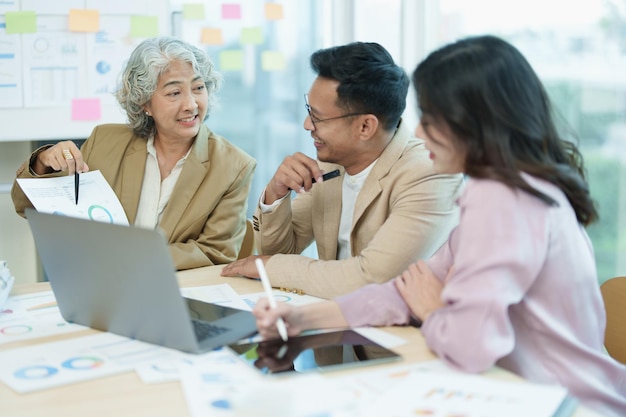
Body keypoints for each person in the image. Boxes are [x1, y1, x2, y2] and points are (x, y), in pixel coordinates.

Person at [252, 35, 626, 417]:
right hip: (517, 393)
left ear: (473, 125)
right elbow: (405, 288)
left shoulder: (506, 200)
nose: (417, 132)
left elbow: (471, 345)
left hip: (559, 405)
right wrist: (301, 318)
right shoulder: (501, 188)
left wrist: (433, 309)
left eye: (430, 120)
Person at [221, 42, 463, 299]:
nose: (306, 125)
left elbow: (371, 279)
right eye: (308, 111)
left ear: (365, 127)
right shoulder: (332, 162)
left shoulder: (429, 173)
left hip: (398, 334)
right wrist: (275, 195)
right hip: (332, 329)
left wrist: (269, 267)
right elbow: (280, 252)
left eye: (318, 117)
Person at [11, 36, 256, 271]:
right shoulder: (105, 142)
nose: (191, 104)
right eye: (174, 93)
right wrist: (43, 162)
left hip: (175, 291)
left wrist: (132, 258)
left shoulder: (233, 166)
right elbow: (28, 208)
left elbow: (215, 252)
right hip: (98, 285)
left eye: (198, 88)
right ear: (144, 103)